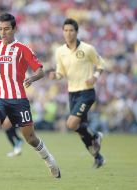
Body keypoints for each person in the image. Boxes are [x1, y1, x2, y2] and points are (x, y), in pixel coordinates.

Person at [0, 13, 60, 178]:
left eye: (7, 29)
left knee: (30, 138)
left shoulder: (23, 49)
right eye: (0, 29)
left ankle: (50, 160)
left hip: (18, 99)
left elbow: (40, 70)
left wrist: (32, 78)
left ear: (14, 29)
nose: (3, 32)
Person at [49, 18, 105, 168]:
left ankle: (96, 136)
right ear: (62, 32)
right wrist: (55, 76)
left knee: (71, 123)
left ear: (76, 32)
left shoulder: (87, 49)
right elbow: (61, 72)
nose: (68, 33)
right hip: (72, 93)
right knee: (80, 129)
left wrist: (95, 77)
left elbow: (101, 64)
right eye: (65, 30)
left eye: (71, 30)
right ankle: (98, 157)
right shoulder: (60, 51)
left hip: (86, 93)